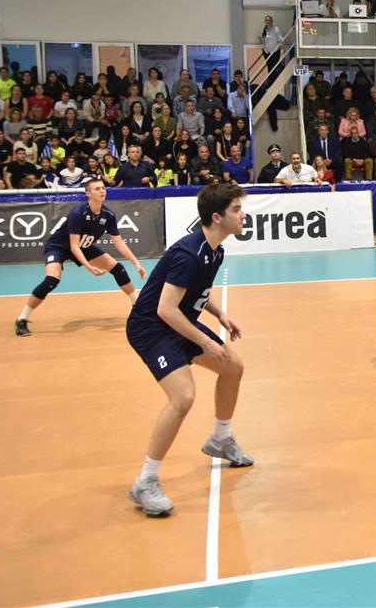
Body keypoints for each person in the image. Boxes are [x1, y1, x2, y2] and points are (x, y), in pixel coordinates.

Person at [125, 182, 252, 517]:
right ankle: (145, 481)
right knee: (183, 397)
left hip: (179, 322)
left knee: (233, 368)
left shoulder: (215, 249)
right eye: (236, 210)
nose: (243, 215)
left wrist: (219, 314)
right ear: (217, 217)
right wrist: (205, 341)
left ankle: (221, 439)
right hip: (152, 328)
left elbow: (196, 292)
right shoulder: (188, 254)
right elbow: (165, 309)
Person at [13, 177, 148, 337]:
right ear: (88, 193)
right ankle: (22, 319)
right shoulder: (78, 212)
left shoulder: (108, 215)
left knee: (117, 268)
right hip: (59, 247)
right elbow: (74, 246)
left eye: (103, 188)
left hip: (84, 247)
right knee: (51, 280)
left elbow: (119, 243)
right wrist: (88, 267)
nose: (102, 191)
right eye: (97, 189)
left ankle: (137, 305)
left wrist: (136, 263)